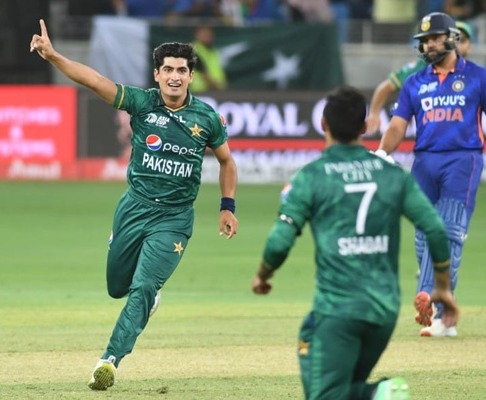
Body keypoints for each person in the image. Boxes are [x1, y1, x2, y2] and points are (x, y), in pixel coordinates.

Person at [30, 19, 239, 390]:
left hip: (174, 218)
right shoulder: (142, 103)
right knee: (117, 287)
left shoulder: (206, 117)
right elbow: (94, 80)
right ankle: (147, 299)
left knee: (143, 287)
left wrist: (227, 206)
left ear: (191, 76)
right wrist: (54, 56)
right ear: (157, 74)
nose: (175, 77)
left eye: (182, 71)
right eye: (168, 70)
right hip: (134, 208)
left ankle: (109, 360)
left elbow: (226, 161)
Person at [251, 85, 459, 400]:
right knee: (333, 377)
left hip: (338, 310)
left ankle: (381, 393)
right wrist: (442, 286)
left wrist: (263, 275)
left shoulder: (311, 176)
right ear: (364, 127)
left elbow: (280, 241)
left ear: (323, 124)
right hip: (384, 310)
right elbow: (435, 228)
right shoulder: (393, 175)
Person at [375, 12, 486, 338]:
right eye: (423, 41)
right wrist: (384, 153)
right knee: (424, 239)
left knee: (447, 231)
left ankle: (428, 297)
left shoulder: (479, 77)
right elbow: (398, 125)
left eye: (434, 38)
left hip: (462, 161)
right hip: (423, 163)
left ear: (451, 37)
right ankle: (443, 316)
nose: (427, 45)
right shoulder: (414, 82)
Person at [366, 20, 486, 135]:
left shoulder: (477, 74)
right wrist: (374, 112)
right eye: (455, 38)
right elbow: (387, 87)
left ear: (469, 47)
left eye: (463, 39)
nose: (457, 43)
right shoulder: (421, 69)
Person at [189, 25, 227, 93]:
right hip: (200, 91)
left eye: (209, 33)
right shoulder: (193, 50)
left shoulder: (213, 51)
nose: (207, 35)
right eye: (203, 33)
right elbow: (202, 72)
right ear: (196, 35)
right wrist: (215, 86)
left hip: (216, 90)